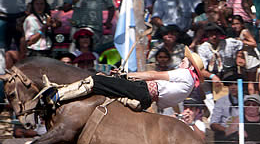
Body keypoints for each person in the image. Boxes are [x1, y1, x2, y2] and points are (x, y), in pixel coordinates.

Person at [40, 46, 204, 112]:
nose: (181, 61)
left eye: (184, 61)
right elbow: (169, 102)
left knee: (98, 81)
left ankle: (57, 95)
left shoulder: (184, 74)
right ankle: (127, 101)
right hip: (148, 99)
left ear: (190, 67)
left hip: (144, 90)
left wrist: (127, 76)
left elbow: (154, 75)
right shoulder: (188, 87)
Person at [0, 0, 27, 70]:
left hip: (18, 17)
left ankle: (21, 70)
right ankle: (3, 70)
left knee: (21, 46)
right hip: (2, 16)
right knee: (2, 46)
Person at [209, 69, 241, 144]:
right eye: (230, 85)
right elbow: (213, 123)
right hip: (225, 136)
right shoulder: (221, 101)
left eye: (236, 84)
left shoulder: (248, 101)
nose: (233, 87)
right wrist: (227, 130)